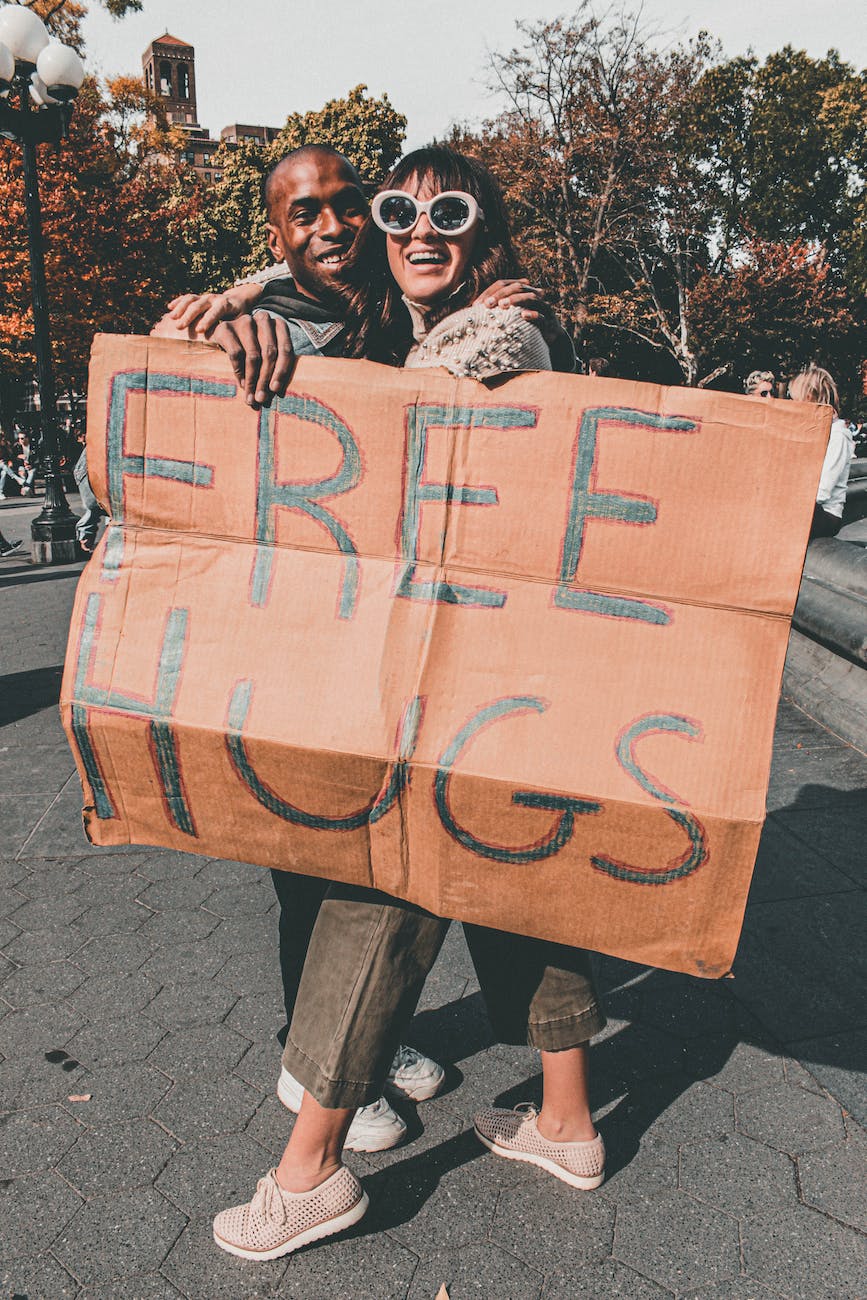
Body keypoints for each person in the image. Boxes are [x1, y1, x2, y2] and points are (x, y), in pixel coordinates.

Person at [211, 147, 605, 1265]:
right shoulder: (434, 322)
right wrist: (248, 298)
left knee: (379, 885)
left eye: (448, 211)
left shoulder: (496, 335)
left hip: (460, 672)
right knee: (517, 877)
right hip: (500, 670)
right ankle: (566, 1121)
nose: (417, 229)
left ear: (486, 230)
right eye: (400, 212)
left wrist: (275, 327)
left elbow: (399, 430)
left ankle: (312, 1168)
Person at [788, 366, 854, 538]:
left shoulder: (838, 435)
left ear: (811, 398)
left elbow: (822, 491)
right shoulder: (814, 431)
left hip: (825, 514)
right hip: (809, 506)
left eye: (797, 401)